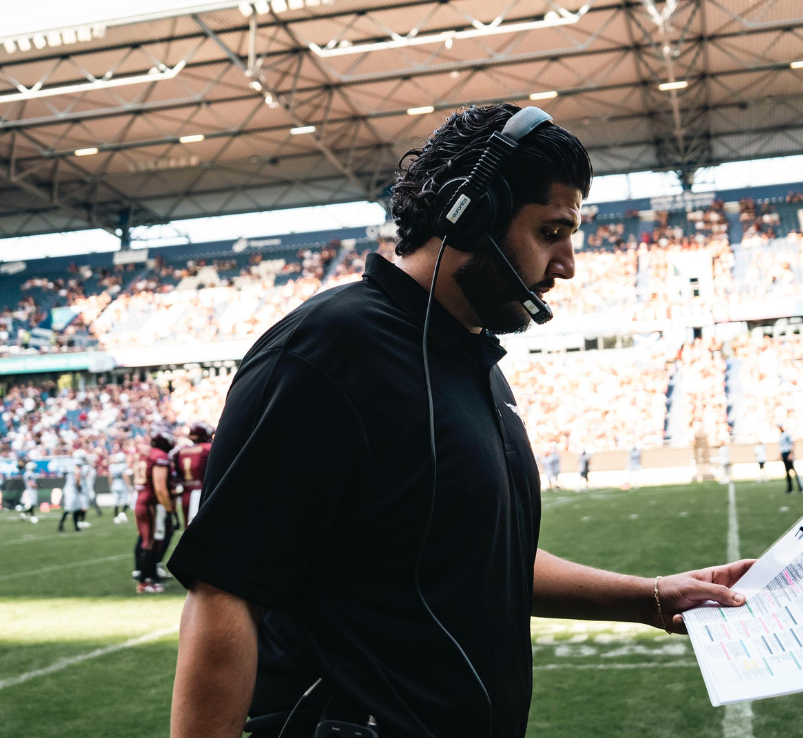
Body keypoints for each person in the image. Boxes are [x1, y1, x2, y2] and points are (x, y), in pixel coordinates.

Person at [167, 104, 751, 738]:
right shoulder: (330, 350)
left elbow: (482, 558)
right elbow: (225, 587)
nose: (567, 265)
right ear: (471, 213)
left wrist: (652, 596)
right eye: (552, 231)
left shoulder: (474, 365)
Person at [133, 431, 175, 592]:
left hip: (141, 499)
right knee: (150, 541)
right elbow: (160, 488)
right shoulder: (159, 456)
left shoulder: (144, 454)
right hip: (151, 503)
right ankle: (145, 581)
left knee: (150, 540)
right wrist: (169, 509)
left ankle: (148, 578)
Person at [173, 423, 212, 526]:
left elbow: (176, 472)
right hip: (202, 492)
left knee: (188, 528)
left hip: (186, 493)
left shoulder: (180, 450)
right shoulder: (208, 448)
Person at [58, 449, 86, 533]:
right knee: (69, 508)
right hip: (72, 490)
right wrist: (79, 488)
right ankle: (60, 526)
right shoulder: (76, 465)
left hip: (71, 489)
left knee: (76, 508)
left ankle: (76, 527)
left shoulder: (70, 464)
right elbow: (77, 478)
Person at [778, 425, 803, 494]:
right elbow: (781, 446)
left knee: (794, 471)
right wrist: (781, 455)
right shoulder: (780, 435)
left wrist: (791, 454)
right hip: (784, 454)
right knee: (787, 472)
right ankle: (790, 488)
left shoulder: (787, 434)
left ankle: (801, 487)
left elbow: (792, 443)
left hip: (788, 453)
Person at [109, 452, 132, 524]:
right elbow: (125, 476)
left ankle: (116, 517)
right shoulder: (124, 466)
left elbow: (110, 477)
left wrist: (111, 485)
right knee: (126, 501)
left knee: (116, 502)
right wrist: (129, 485)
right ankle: (122, 514)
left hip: (114, 485)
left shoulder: (112, 466)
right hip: (122, 485)